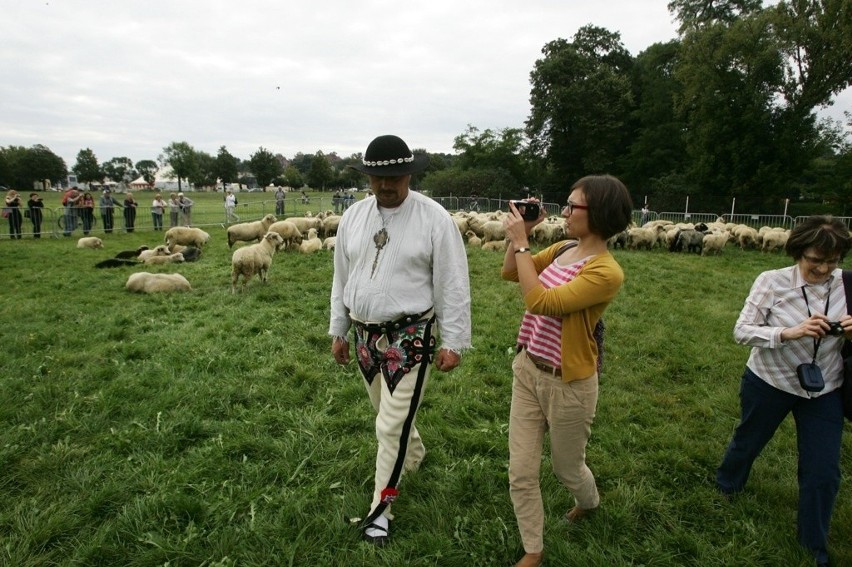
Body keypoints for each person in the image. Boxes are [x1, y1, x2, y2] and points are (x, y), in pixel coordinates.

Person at [329, 134, 471, 546]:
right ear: (367, 177)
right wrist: (338, 328)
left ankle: (380, 510)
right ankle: (416, 453)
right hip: (363, 336)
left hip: (412, 338)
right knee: (386, 415)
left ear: (409, 174)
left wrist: (455, 340)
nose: (386, 185)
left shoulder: (434, 218)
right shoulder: (353, 217)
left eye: (394, 176)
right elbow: (342, 278)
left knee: (389, 427)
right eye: (377, 177)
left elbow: (453, 281)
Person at [501, 175, 633, 567]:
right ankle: (533, 549)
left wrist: (523, 243)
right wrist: (519, 237)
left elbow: (541, 301)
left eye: (573, 206)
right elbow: (512, 273)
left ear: (601, 214)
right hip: (528, 370)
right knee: (521, 470)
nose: (565, 211)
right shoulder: (562, 248)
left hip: (570, 385)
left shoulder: (607, 272)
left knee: (567, 467)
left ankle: (588, 501)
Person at [716, 216, 852, 567]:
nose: (823, 268)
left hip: (825, 389)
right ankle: (727, 484)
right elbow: (742, 331)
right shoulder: (772, 282)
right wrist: (789, 333)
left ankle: (813, 548)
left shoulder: (849, 285)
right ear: (797, 252)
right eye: (814, 260)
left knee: (823, 470)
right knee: (749, 439)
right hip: (770, 381)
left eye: (832, 262)